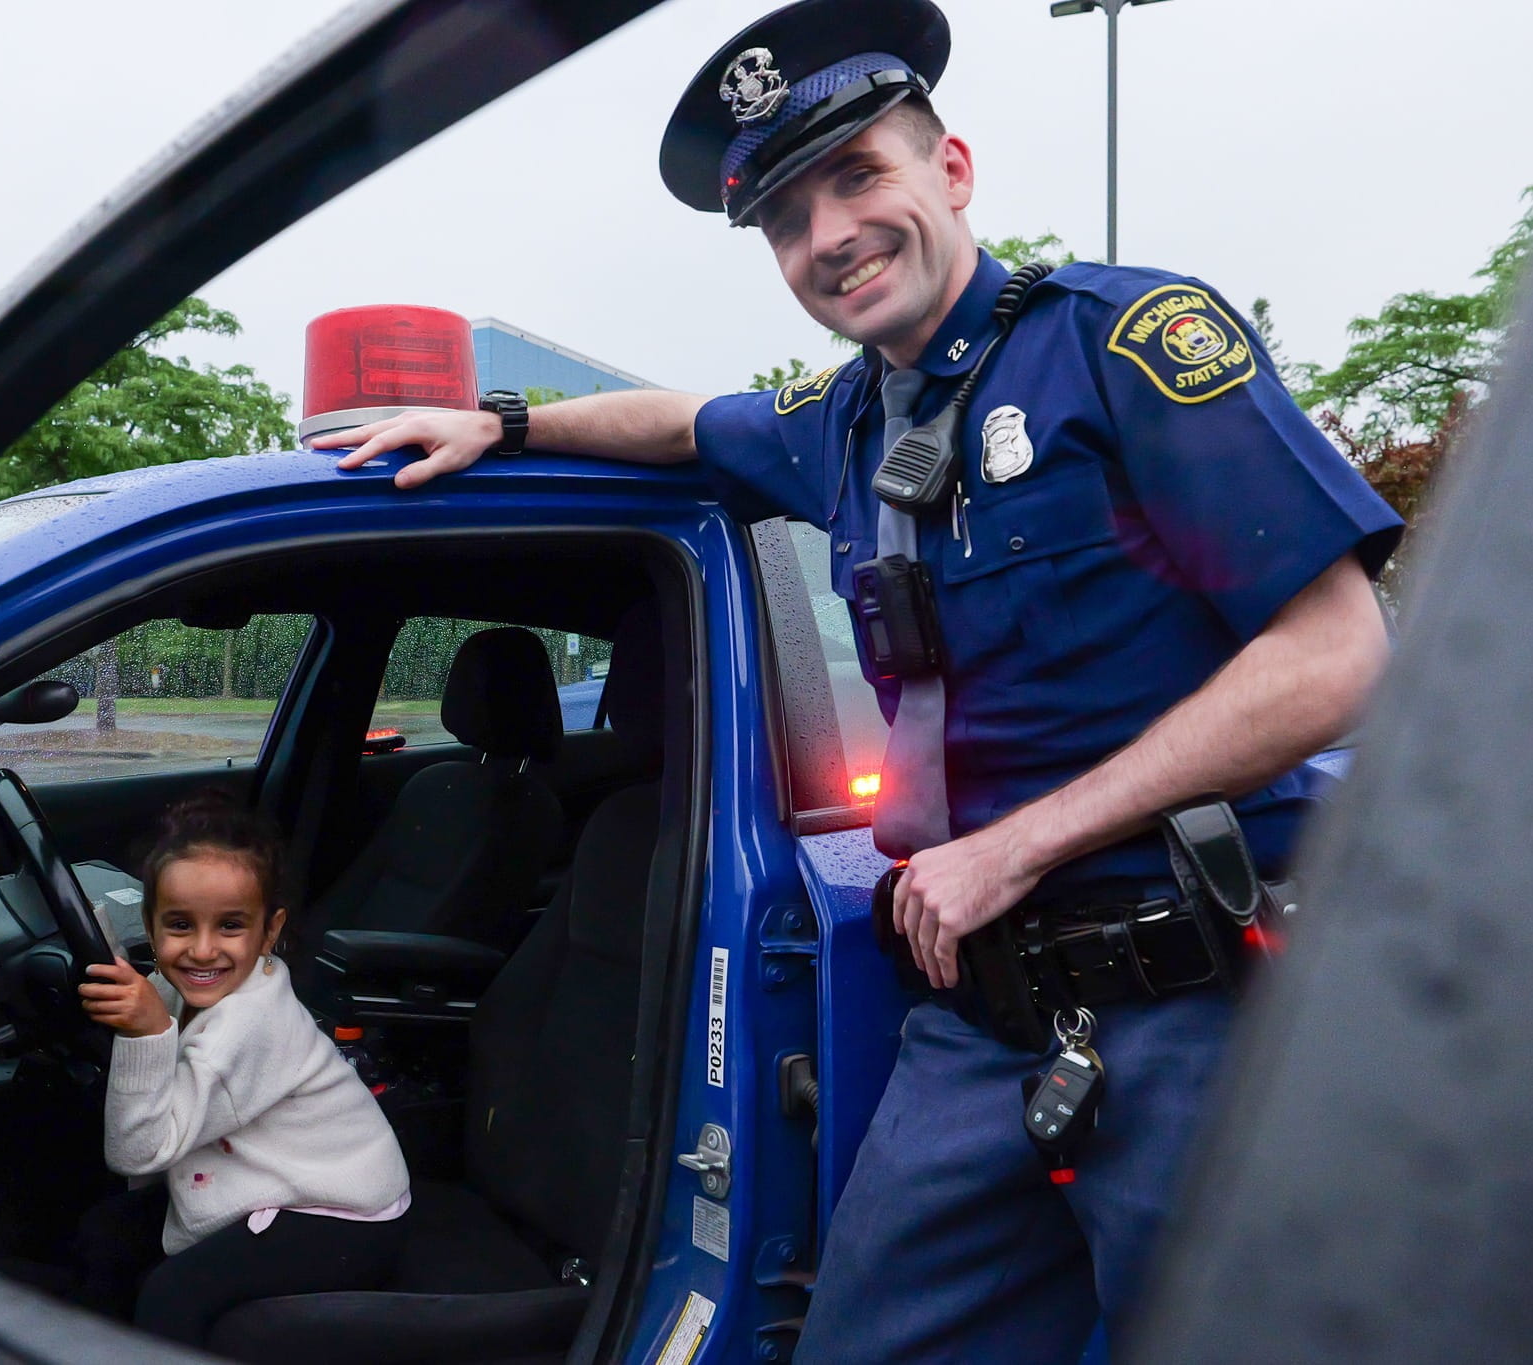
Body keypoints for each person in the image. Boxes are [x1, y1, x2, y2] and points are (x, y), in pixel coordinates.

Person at [314, 0, 1402, 1357]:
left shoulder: (1123, 342)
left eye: (857, 176)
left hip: (1193, 1012)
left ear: (949, 173)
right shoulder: (845, 421)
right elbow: (677, 421)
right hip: (980, 1022)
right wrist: (503, 419)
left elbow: (1338, 655)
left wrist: (1016, 848)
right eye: (782, 219)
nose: (826, 236)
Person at [71, 794, 410, 1348]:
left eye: (231, 926)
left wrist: (147, 1034)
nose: (203, 952)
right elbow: (168, 1008)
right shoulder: (213, 985)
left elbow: (136, 1152)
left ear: (269, 932)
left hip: (341, 1213)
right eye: (179, 925)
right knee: (106, 1233)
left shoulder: (250, 1026)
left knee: (171, 1296)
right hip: (269, 1171)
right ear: (151, 929)